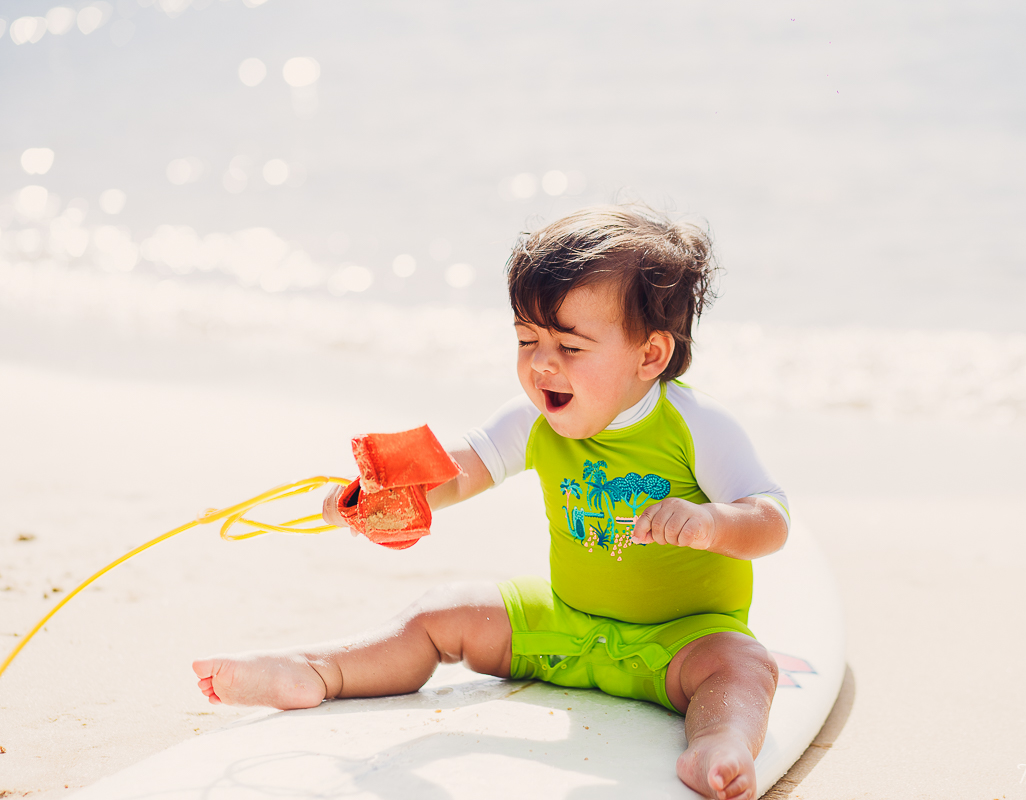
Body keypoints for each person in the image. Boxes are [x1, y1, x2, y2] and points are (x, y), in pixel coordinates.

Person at [192, 203, 790, 800]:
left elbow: (771, 518)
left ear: (650, 355)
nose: (541, 363)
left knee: (745, 665)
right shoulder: (534, 419)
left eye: (570, 347)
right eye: (527, 339)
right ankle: (318, 670)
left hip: (681, 643)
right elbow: (456, 473)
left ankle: (719, 742)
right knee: (440, 612)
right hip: (566, 627)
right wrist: (373, 496)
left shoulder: (696, 426)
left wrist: (710, 524)